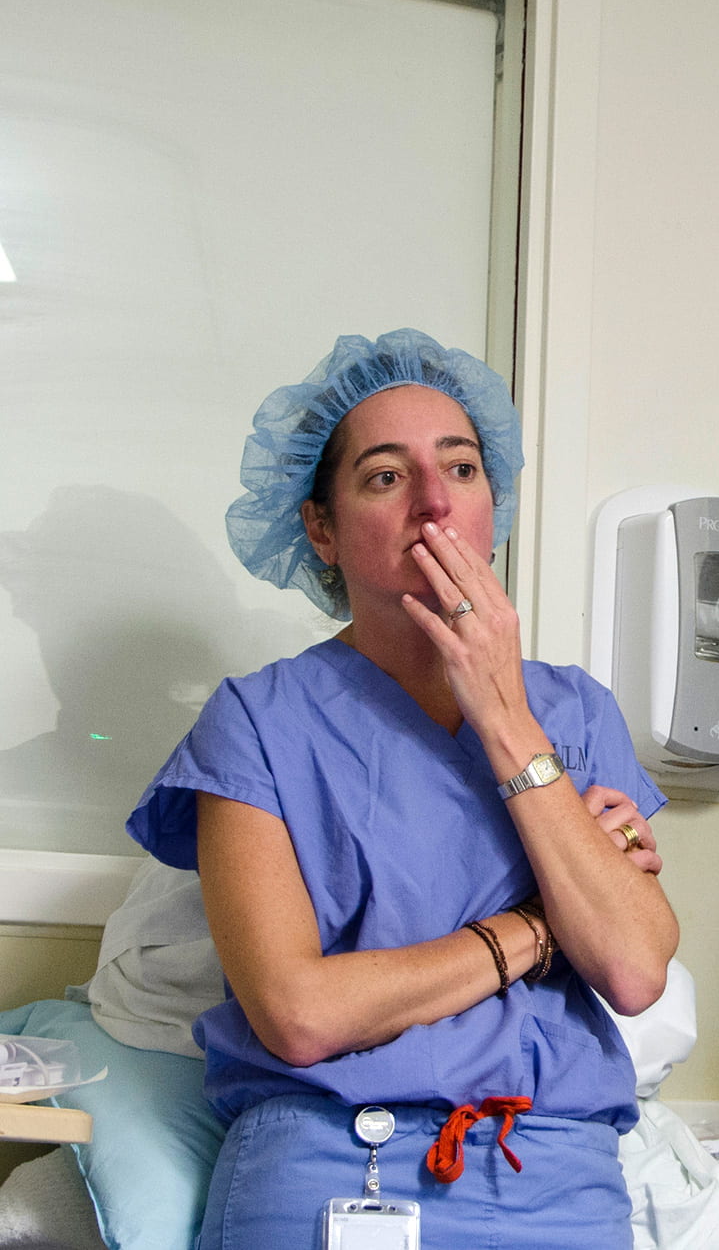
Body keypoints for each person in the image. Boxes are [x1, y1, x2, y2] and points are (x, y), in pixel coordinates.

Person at [126, 328, 680, 1249]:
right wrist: (534, 930)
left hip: (556, 1180)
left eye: (460, 469)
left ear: (492, 507)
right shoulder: (258, 724)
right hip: (335, 1171)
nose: (433, 503)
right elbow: (298, 1016)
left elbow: (631, 967)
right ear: (321, 529)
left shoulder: (574, 713)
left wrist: (504, 712)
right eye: (386, 476)